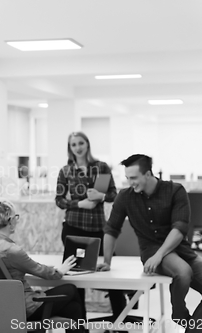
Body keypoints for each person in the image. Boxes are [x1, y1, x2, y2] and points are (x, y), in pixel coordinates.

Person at [99, 154, 202, 333]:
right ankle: (179, 313)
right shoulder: (126, 197)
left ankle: (193, 330)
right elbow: (111, 229)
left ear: (148, 174)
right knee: (183, 271)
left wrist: (159, 255)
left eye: (133, 178)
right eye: (127, 178)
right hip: (151, 251)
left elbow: (179, 229)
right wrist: (107, 261)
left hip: (181, 251)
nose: (130, 183)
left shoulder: (175, 191)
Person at [55, 131, 128, 323]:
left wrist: (101, 197)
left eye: (81, 143)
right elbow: (59, 200)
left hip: (98, 229)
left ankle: (119, 323)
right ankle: (81, 326)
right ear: (70, 148)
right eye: (73, 145)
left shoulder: (101, 167)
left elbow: (114, 194)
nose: (78, 147)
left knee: (111, 276)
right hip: (73, 228)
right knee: (77, 280)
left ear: (87, 144)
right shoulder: (66, 171)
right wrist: (79, 204)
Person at [0, 199, 85, 333]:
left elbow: (30, 266)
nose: (17, 220)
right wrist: (60, 270)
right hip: (27, 307)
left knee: (74, 308)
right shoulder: (13, 251)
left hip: (4, 307)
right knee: (71, 289)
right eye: (16, 217)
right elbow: (41, 271)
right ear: (10, 221)